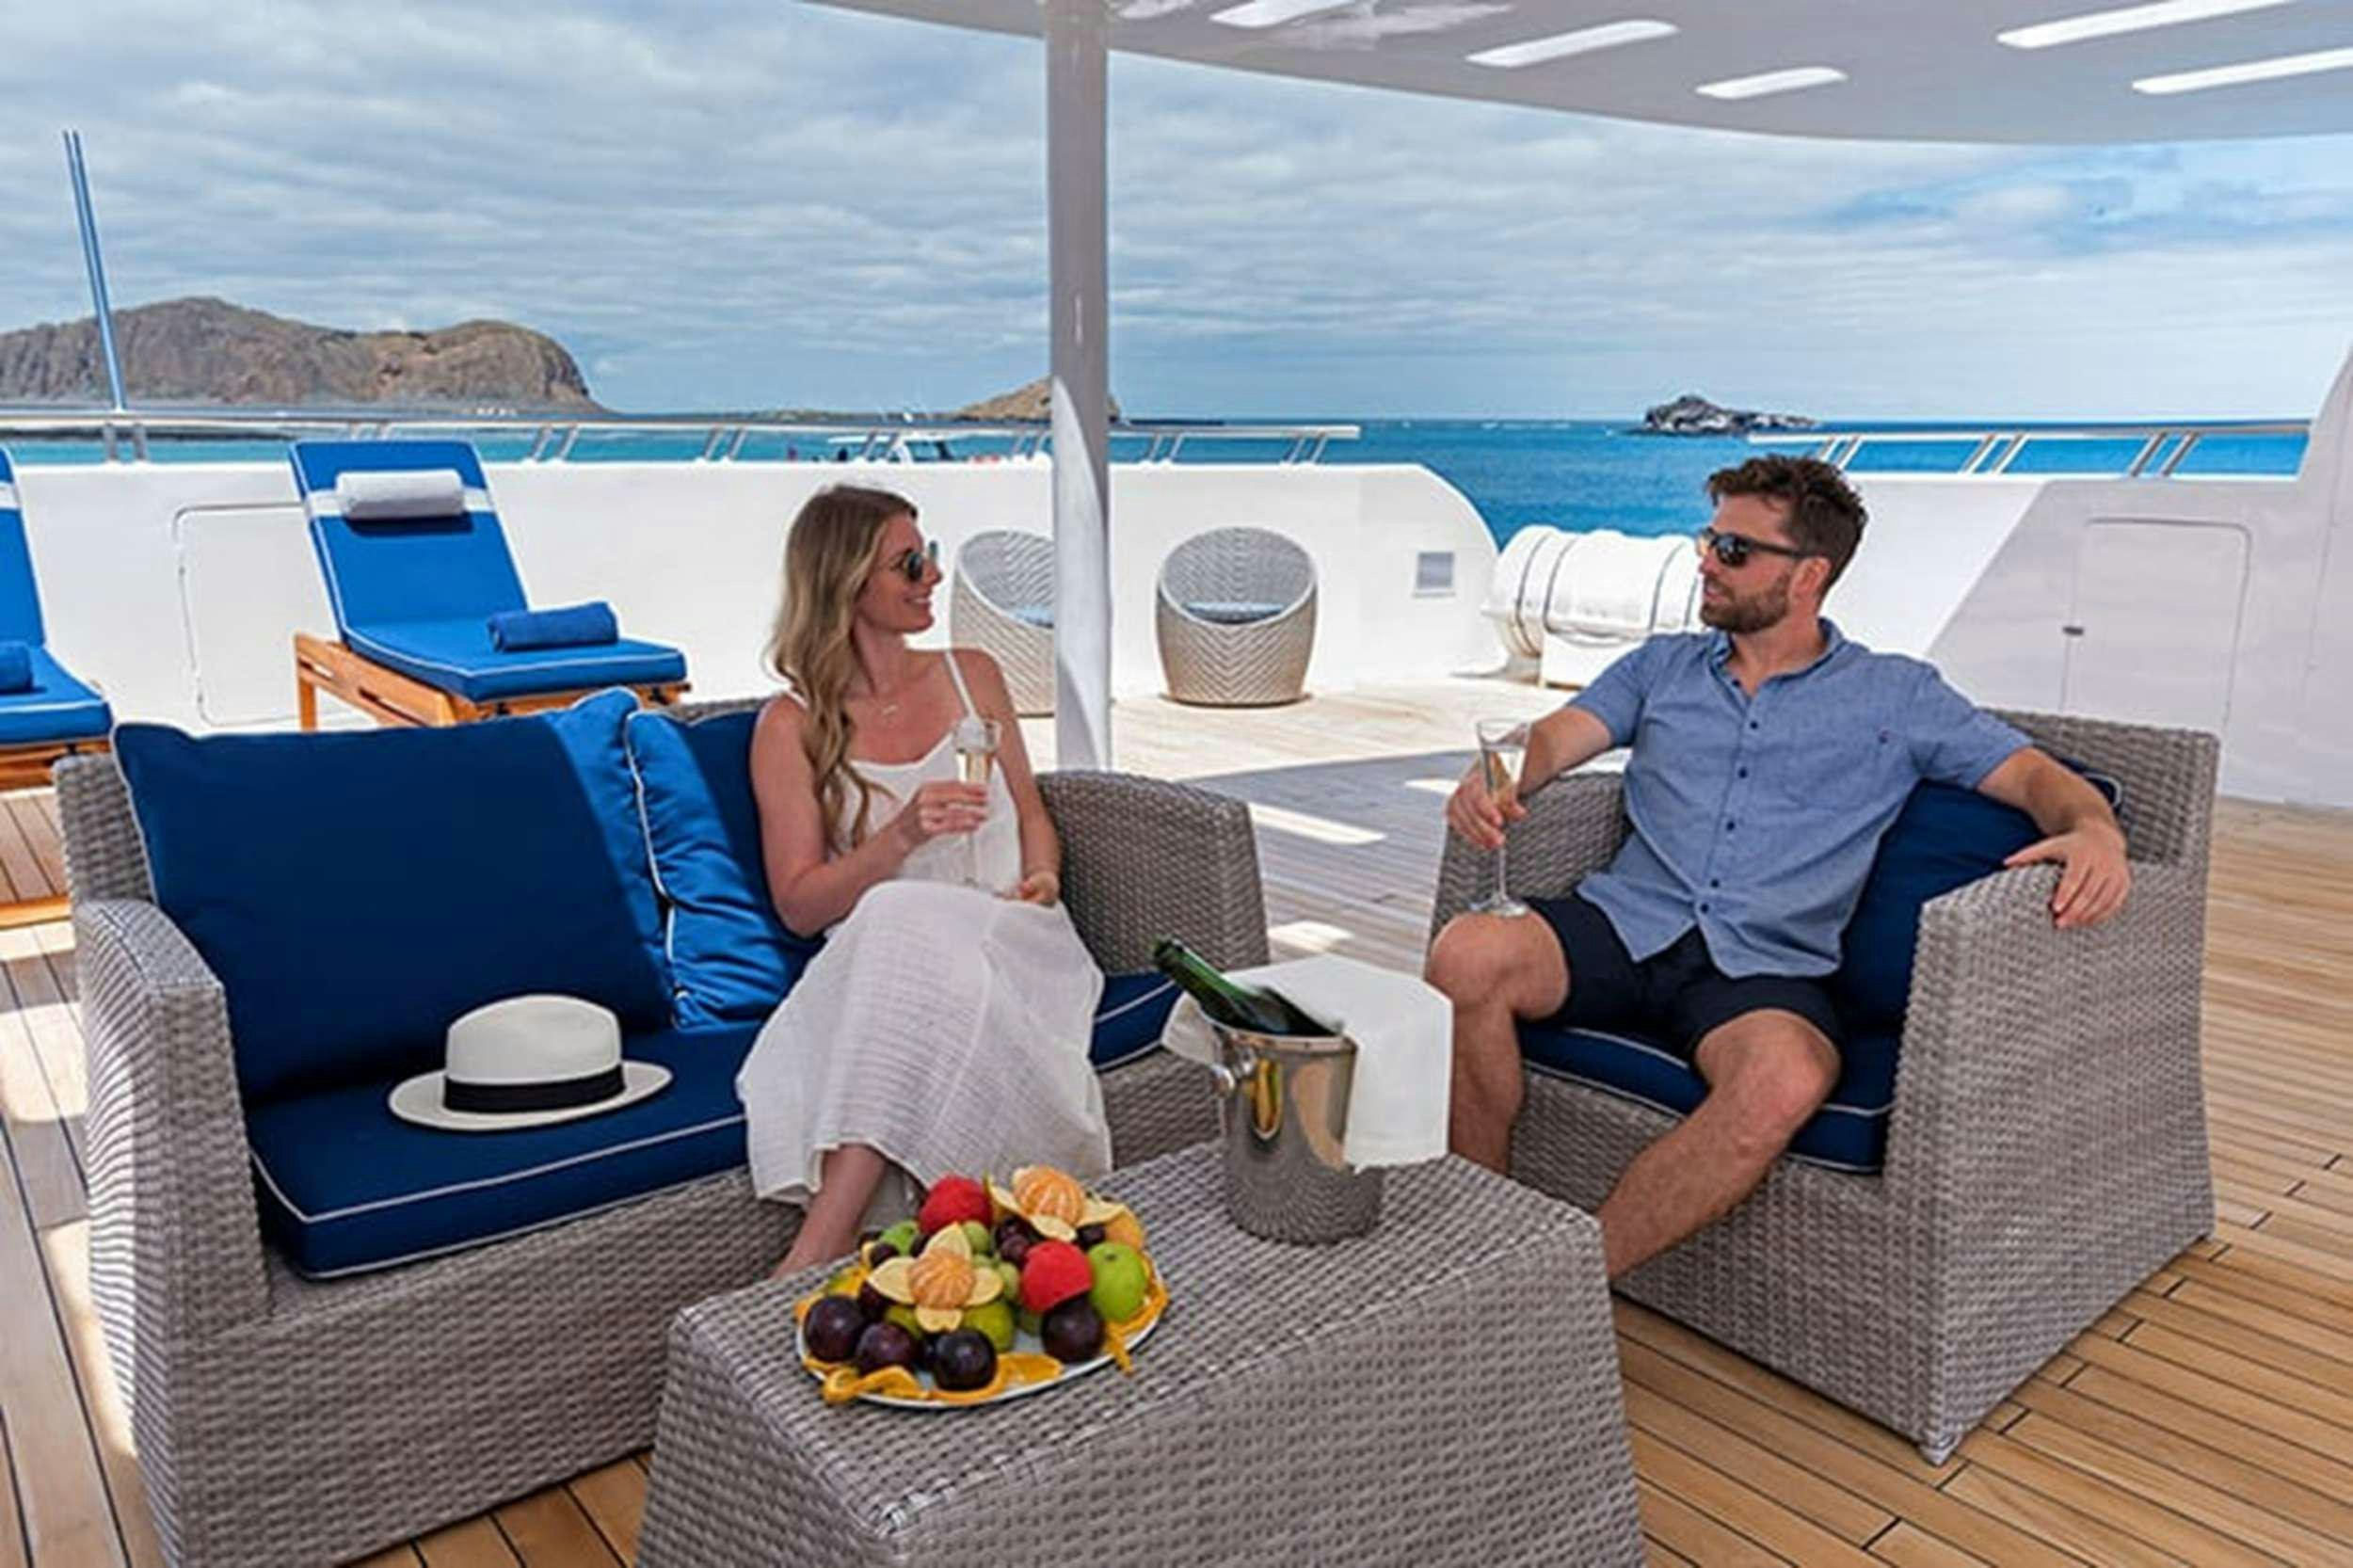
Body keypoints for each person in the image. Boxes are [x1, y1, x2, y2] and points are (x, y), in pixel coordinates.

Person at [1432, 455, 2130, 1280]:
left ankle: (1556, 1281)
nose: (1705, 562)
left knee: (1784, 1079)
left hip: (1766, 965)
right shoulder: (1660, 667)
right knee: (1465, 953)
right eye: (1707, 539)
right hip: (1625, 924)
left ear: (1809, 576)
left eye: (1734, 551)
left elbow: (2037, 779)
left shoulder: (1898, 696)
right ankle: (1478, 1230)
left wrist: (2094, 831)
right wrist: (1503, 774)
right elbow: (1558, 734)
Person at [738, 485, 1109, 1275]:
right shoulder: (791, 725)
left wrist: (1042, 876)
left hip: (1015, 936)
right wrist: (900, 835)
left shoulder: (973, 675)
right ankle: (848, 1239)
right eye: (909, 563)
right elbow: (801, 906)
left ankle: (816, 1246)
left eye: (929, 554)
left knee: (903, 915)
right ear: (847, 582)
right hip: (889, 961)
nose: (933, 576)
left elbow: (1034, 815)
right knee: (900, 912)